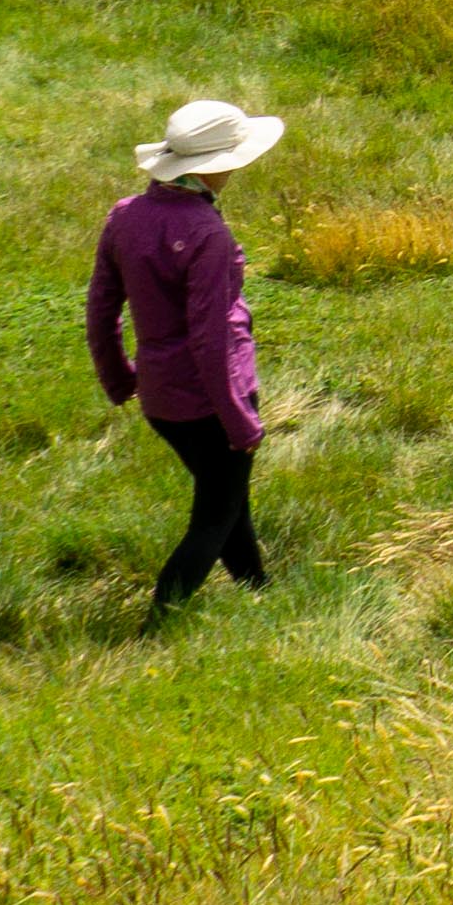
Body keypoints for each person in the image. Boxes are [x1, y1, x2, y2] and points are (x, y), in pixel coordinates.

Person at [89, 94, 282, 610]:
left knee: (227, 498)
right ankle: (161, 620)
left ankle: (258, 594)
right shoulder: (207, 234)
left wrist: (120, 377)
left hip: (161, 401)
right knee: (213, 518)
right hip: (214, 400)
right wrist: (239, 420)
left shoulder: (125, 217)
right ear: (214, 169)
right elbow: (210, 338)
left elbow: (101, 307)